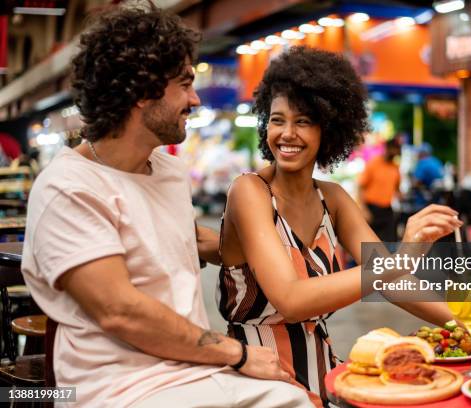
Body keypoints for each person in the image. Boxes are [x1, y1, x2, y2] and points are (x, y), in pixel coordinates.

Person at [216, 46, 471, 408]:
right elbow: (291, 300)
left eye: (304, 121)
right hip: (259, 386)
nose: (287, 133)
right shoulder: (249, 192)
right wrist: (400, 258)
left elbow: (393, 282)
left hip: (326, 380)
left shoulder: (333, 198)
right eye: (277, 120)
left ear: (330, 127)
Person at [21, 5, 312, 408]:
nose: (194, 98)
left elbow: (182, 241)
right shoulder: (69, 188)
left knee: (303, 399)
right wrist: (237, 353)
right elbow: (119, 311)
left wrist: (271, 231)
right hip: (121, 391)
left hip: (194, 372)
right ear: (142, 91)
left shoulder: (169, 171)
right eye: (184, 83)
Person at [358, 138, 401, 241]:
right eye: (392, 149)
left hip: (387, 209)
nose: (394, 152)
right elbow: (360, 187)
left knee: (391, 242)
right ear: (387, 148)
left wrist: (400, 195)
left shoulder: (395, 168)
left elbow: (397, 188)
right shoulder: (374, 163)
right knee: (370, 243)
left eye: (396, 150)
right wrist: (363, 209)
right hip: (371, 209)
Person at [412, 142, 444, 209]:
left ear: (422, 154)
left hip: (424, 203)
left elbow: (416, 182)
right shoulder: (436, 161)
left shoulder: (423, 163)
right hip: (438, 200)